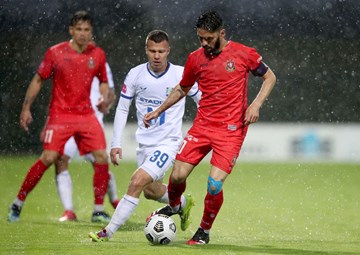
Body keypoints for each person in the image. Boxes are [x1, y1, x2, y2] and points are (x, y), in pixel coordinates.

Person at [143, 11, 277, 245]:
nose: (204, 43)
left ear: (221, 34)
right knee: (176, 176)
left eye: (208, 38)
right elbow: (181, 88)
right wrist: (158, 110)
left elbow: (270, 77)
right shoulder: (195, 58)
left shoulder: (244, 54)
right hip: (202, 126)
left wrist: (255, 105)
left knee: (214, 185)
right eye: (200, 38)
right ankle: (175, 206)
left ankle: (204, 230)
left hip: (231, 130)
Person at [89, 30, 201, 242]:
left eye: (161, 51)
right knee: (150, 191)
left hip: (169, 143)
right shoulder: (135, 74)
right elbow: (122, 109)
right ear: (146, 50)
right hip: (145, 144)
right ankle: (183, 204)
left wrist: (203, 129)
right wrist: (115, 143)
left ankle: (107, 232)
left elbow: (202, 101)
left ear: (168, 51)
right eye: (152, 51)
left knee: (136, 181)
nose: (157, 56)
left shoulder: (180, 74)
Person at [7, 10, 112, 223]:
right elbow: (38, 80)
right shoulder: (55, 53)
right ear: (71, 30)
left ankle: (99, 210)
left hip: (86, 115)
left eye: (87, 30)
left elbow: (103, 80)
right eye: (79, 29)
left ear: (91, 32)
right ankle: (18, 203)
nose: (83, 34)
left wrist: (103, 97)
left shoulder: (97, 54)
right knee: (49, 158)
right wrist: (26, 108)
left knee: (102, 156)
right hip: (60, 115)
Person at [51, 62, 120, 222]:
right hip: (67, 120)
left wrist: (106, 103)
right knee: (60, 160)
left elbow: (111, 93)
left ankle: (112, 201)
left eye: (87, 35)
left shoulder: (100, 62)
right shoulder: (65, 60)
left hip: (91, 121)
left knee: (100, 163)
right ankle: (68, 211)